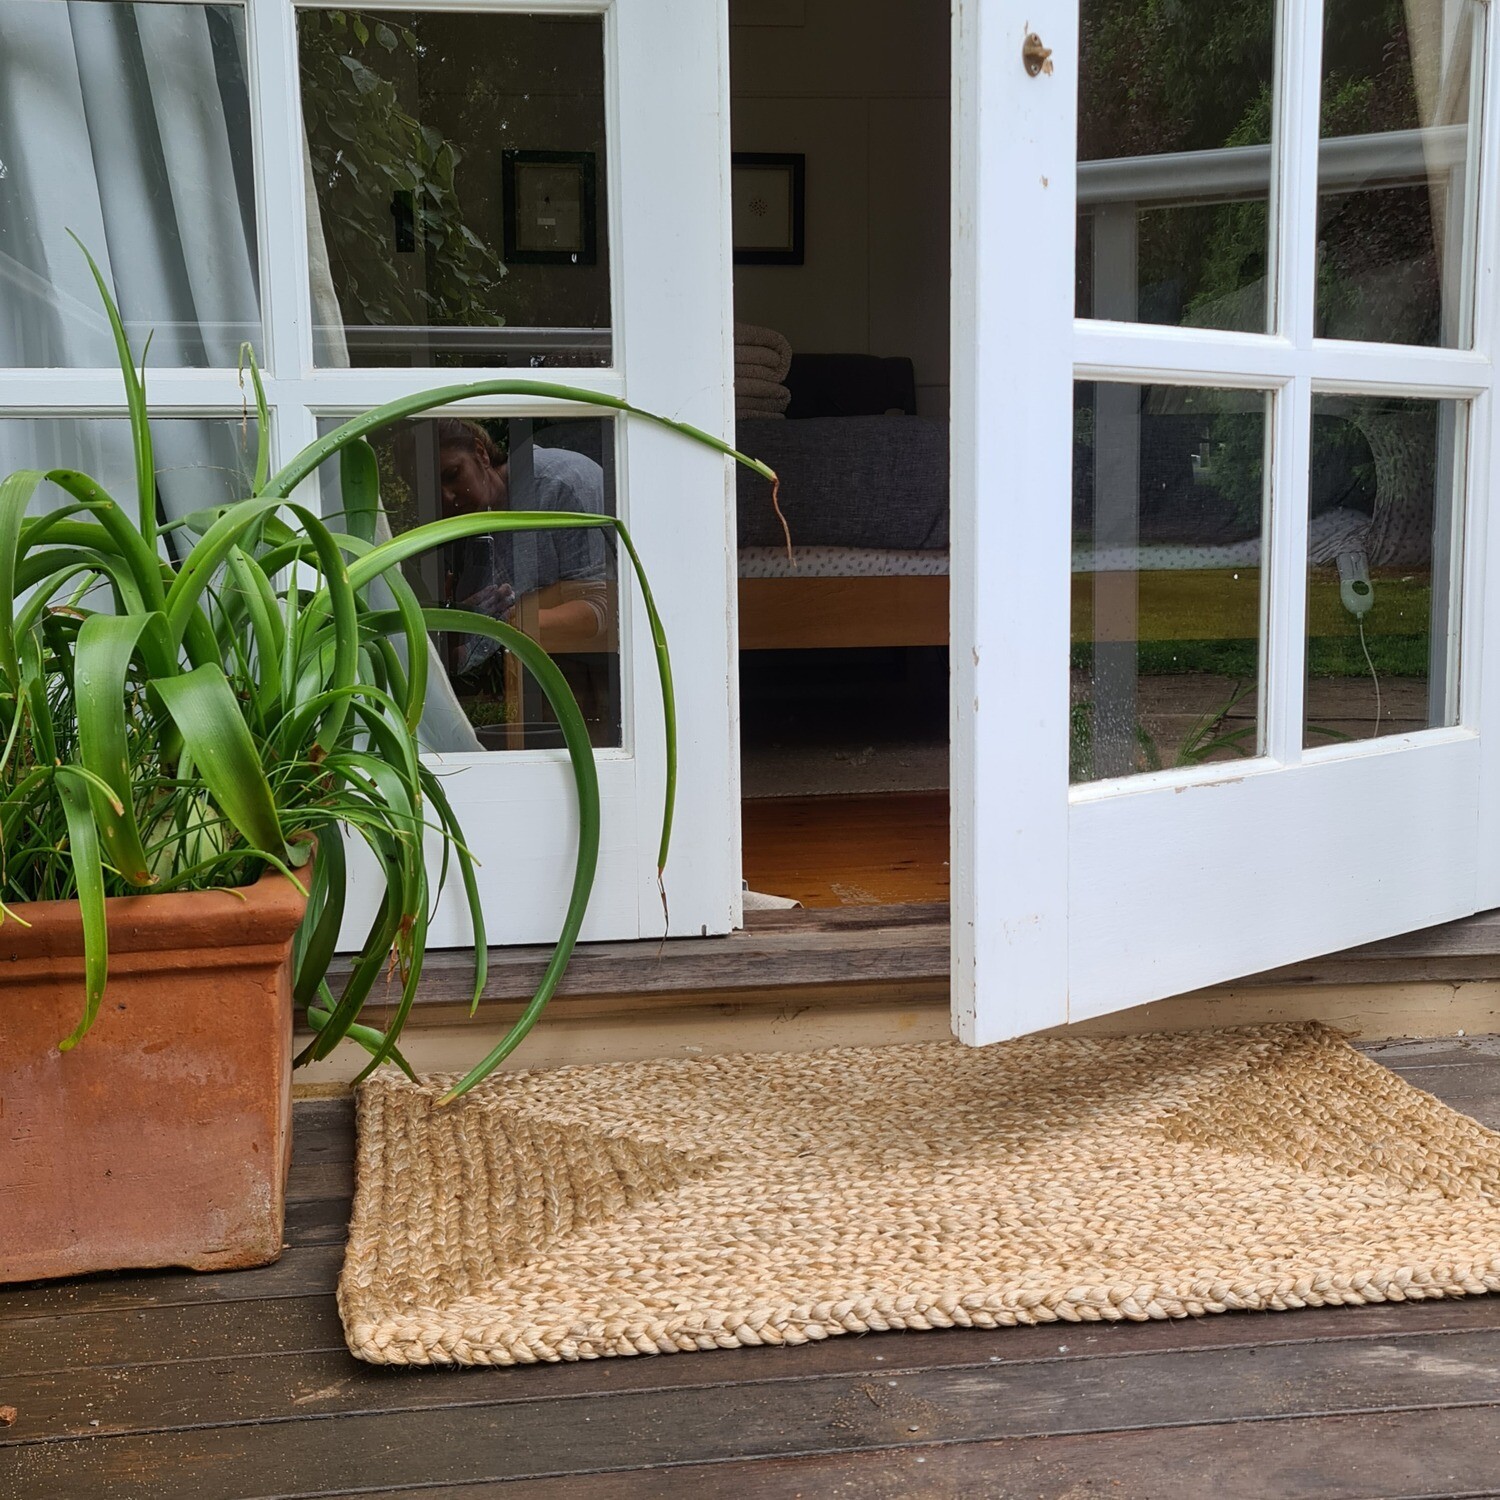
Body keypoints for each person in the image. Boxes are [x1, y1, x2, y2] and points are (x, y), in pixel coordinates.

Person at [435, 417, 612, 673]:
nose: (447, 497)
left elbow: (602, 607)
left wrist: (501, 626)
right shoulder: (468, 527)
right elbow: (463, 654)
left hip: (604, 675)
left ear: (481, 454)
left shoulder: (557, 483)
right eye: (435, 489)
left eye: (453, 475)